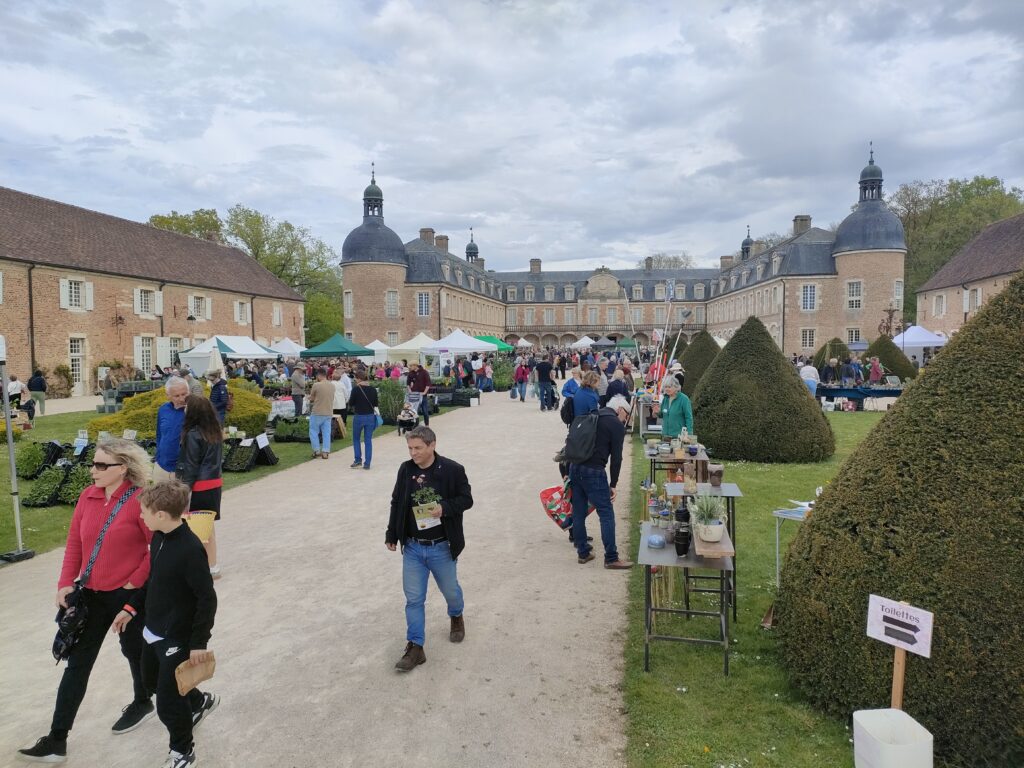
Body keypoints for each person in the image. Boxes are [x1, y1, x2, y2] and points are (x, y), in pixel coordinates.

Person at [17, 438, 154, 763]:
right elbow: (75, 544)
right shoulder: (87, 497)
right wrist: (65, 583)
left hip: (127, 595)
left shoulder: (140, 499)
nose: (93, 469)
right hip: (90, 595)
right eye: (93, 463)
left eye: (101, 465)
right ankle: (57, 739)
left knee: (137, 653)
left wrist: (135, 580)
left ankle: (146, 701)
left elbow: (158, 545)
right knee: (77, 665)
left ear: (123, 468)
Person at [119, 480, 218, 768]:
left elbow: (207, 598)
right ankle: (198, 702)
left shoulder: (190, 549)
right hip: (153, 629)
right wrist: (131, 608)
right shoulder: (159, 537)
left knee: (168, 702)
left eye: (144, 512)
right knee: (150, 681)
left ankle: (182, 752)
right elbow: (154, 581)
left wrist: (199, 642)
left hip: (177, 636)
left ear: (161, 514)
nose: (141, 516)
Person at [386, 426, 473, 672]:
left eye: (418, 448)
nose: (413, 453)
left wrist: (445, 508)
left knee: (451, 591)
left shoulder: (453, 470)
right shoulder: (406, 470)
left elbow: (467, 499)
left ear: (432, 445)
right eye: (410, 448)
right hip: (413, 547)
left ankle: (456, 615)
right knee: (414, 599)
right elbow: (396, 502)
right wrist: (392, 533)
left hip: (442, 547)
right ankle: (416, 647)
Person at [569, 395, 633, 570]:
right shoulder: (615, 425)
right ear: (620, 409)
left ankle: (583, 552)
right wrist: (613, 484)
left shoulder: (593, 414)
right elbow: (617, 459)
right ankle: (611, 558)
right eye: (626, 414)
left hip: (575, 467)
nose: (626, 419)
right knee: (606, 514)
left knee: (578, 512)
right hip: (594, 471)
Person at [176, 396, 224, 578]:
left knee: (199, 530)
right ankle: (212, 564)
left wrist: (185, 490)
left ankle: (207, 566)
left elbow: (191, 465)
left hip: (199, 485)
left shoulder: (193, 434)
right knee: (207, 527)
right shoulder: (214, 431)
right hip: (214, 482)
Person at [154, 377, 190, 484]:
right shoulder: (163, 409)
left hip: (184, 469)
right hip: (161, 466)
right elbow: (159, 435)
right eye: (177, 396)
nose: (181, 399)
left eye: (184, 394)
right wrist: (158, 457)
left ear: (189, 392)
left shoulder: (196, 410)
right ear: (168, 395)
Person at [349, 369, 378, 470]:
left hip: (359, 416)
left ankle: (358, 460)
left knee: (356, 439)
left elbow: (351, 403)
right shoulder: (373, 389)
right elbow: (375, 404)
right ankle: (367, 463)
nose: (355, 380)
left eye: (356, 378)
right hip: (370, 416)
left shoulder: (356, 389)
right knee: (368, 440)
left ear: (359, 378)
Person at [306, 368, 336, 460]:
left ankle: (317, 451)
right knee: (326, 433)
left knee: (313, 431)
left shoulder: (316, 385)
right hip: (328, 411)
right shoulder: (332, 385)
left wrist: (308, 397)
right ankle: (325, 452)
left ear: (319, 375)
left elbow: (312, 398)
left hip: (317, 412)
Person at [407, 360, 432, 426]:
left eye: (411, 366)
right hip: (414, 395)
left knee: (425, 411)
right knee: (414, 411)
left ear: (415, 365)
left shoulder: (424, 372)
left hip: (422, 395)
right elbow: (408, 384)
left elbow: (428, 383)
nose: (410, 367)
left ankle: (427, 425)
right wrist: (410, 391)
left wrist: (424, 392)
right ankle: (415, 425)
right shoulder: (410, 373)